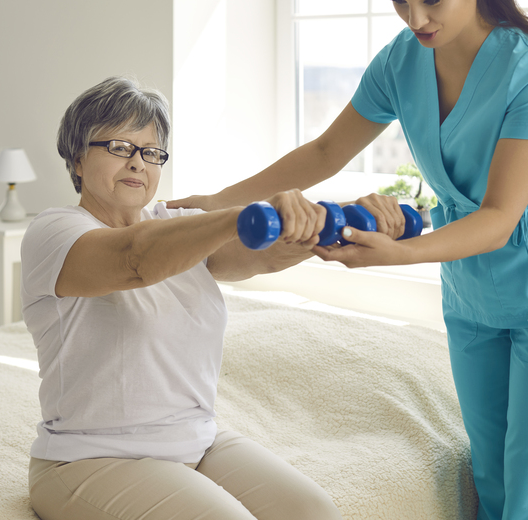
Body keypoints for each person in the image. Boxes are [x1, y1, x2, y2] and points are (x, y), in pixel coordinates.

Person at [168, 0, 528, 519]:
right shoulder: (402, 61)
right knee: (492, 484)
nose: (416, 19)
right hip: (473, 292)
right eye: (400, 2)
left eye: (431, 0)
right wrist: (222, 202)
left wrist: (402, 254)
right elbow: (326, 153)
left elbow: (499, 216)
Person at [20, 76, 341, 520]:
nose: (137, 163)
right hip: (88, 457)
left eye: (150, 153)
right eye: (118, 147)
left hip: (197, 439)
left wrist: (332, 225)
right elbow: (136, 258)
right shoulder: (55, 231)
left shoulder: (182, 223)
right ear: (77, 158)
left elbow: (263, 257)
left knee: (314, 512)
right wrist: (243, 214)